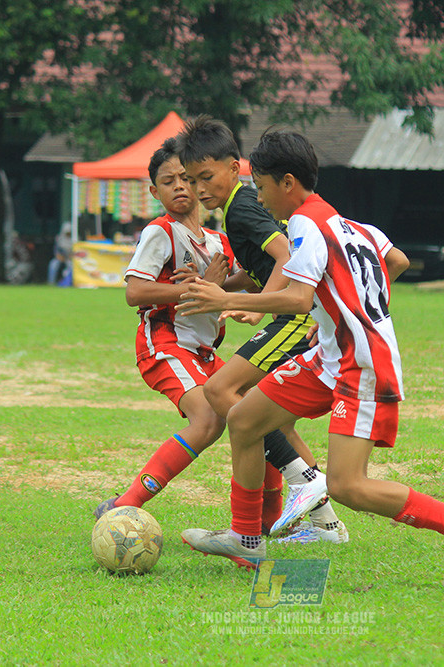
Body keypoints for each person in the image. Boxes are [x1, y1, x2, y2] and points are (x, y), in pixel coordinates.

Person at [177, 129, 444, 589]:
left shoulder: (307, 224)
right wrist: (348, 309)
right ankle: (246, 539)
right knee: (245, 419)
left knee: (348, 485)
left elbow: (297, 297)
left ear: (287, 183)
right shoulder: (352, 224)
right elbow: (398, 261)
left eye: (263, 187)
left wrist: (220, 298)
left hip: (361, 365)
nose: (260, 198)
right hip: (332, 357)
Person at [177, 115, 348, 542]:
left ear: (236, 168)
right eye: (191, 180)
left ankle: (304, 483)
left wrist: (250, 307)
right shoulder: (239, 209)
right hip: (293, 315)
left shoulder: (242, 205)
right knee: (272, 418)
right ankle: (327, 525)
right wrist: (221, 286)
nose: (199, 189)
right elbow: (262, 268)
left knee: (219, 392)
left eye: (206, 177)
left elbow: (284, 254)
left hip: (296, 318)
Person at [94, 138, 238, 519]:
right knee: (208, 419)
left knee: (253, 412)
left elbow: (245, 285)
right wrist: (195, 287)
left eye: (184, 178)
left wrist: (223, 290)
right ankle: (126, 505)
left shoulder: (219, 241)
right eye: (168, 180)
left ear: (198, 183)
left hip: (204, 352)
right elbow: (135, 291)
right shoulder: (161, 231)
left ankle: (268, 520)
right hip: (165, 343)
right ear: (155, 192)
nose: (178, 186)